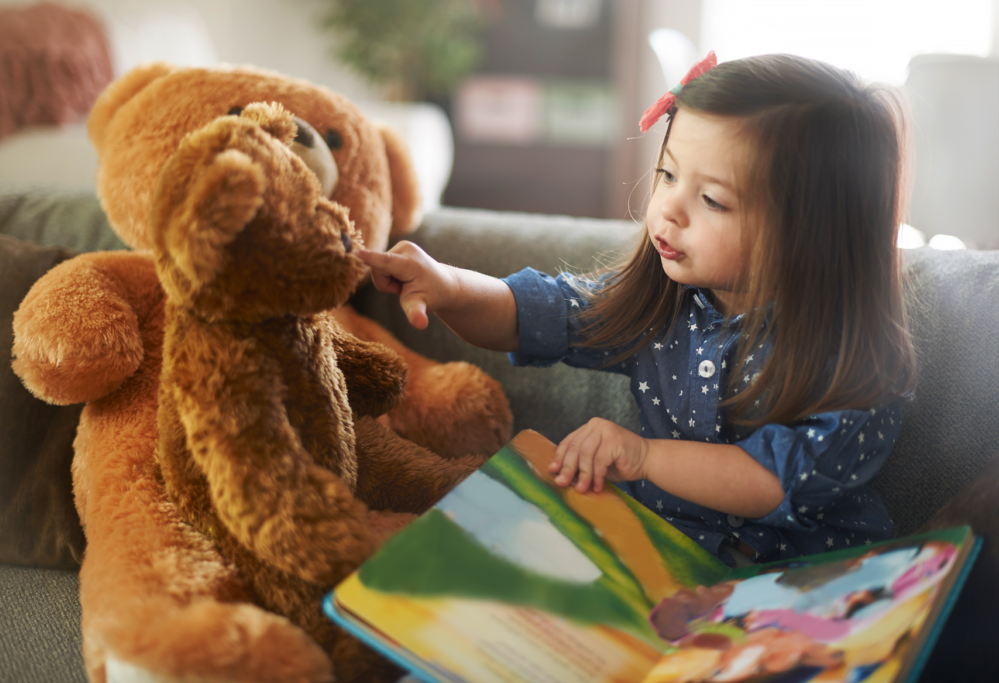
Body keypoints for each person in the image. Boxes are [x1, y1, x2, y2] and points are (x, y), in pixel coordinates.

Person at [358, 53, 916, 566]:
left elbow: (778, 479)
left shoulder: (852, 357)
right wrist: (449, 285)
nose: (666, 210)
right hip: (660, 566)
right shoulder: (663, 306)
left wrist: (643, 457)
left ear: (812, 234)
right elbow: (534, 314)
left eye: (713, 200)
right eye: (668, 175)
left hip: (799, 593)